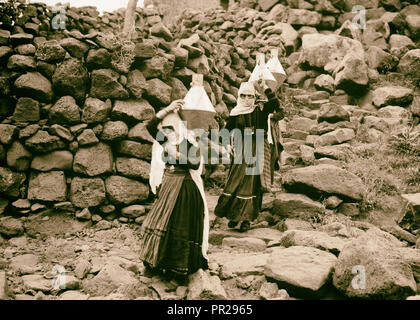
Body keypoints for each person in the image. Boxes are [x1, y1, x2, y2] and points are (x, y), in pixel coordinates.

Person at [138, 100, 209, 284]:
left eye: (174, 125)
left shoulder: (188, 142)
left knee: (179, 227)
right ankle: (155, 263)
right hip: (168, 184)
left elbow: (194, 164)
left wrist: (176, 154)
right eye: (167, 126)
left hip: (185, 187)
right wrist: (168, 109)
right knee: (159, 222)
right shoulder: (165, 140)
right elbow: (150, 125)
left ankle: (178, 271)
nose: (170, 129)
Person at [214, 80, 283, 232]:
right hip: (240, 148)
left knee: (253, 184)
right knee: (236, 181)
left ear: (254, 97)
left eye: (250, 96)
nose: (246, 99)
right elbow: (224, 132)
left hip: (258, 147)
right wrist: (227, 145)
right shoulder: (235, 112)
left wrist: (265, 87)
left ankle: (247, 219)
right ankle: (233, 215)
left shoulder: (261, 109)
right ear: (239, 96)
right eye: (243, 96)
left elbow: (276, 104)